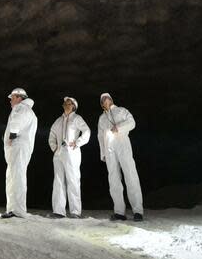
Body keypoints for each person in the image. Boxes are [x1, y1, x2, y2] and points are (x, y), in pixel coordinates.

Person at [97, 93, 144, 221]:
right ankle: (119, 212)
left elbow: (132, 122)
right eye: (103, 100)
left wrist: (119, 127)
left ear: (111, 99)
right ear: (101, 104)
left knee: (130, 174)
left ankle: (138, 211)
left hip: (122, 143)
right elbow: (100, 136)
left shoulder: (121, 110)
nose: (105, 100)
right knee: (113, 178)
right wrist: (103, 153)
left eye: (107, 98)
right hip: (109, 148)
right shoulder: (102, 118)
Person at [48, 96, 90, 218]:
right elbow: (52, 134)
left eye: (69, 103)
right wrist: (54, 147)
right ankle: (58, 211)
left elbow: (87, 131)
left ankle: (75, 211)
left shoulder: (77, 118)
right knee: (58, 180)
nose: (66, 104)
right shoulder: (58, 120)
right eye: (65, 103)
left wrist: (78, 142)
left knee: (73, 180)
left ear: (73, 106)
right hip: (58, 153)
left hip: (72, 152)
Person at [1, 88, 38, 219]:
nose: (10, 100)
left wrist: (12, 134)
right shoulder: (29, 111)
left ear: (19, 97)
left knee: (16, 177)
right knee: (13, 176)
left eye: (12, 97)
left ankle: (18, 210)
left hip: (18, 146)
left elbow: (16, 121)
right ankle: (13, 208)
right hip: (21, 148)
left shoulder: (21, 108)